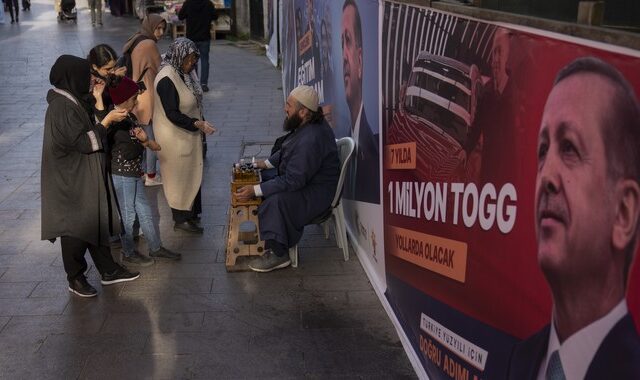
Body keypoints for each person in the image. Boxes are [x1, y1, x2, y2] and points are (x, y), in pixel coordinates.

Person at [507, 57, 640, 379]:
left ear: (623, 213)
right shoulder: (522, 359)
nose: (546, 176)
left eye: (569, 148)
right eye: (542, 150)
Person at [42, 55, 140, 298]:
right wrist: (107, 120)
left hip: (83, 173)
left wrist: (97, 98)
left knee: (94, 220)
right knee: (75, 227)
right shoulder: (62, 107)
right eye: (87, 77)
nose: (91, 81)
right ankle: (75, 278)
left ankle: (108, 270)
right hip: (71, 177)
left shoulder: (72, 99)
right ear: (73, 77)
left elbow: (91, 127)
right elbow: (85, 142)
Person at [236, 85, 340, 273]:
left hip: (318, 193)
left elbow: (293, 181)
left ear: (303, 112)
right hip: (309, 180)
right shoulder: (308, 124)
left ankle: (279, 253)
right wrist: (264, 164)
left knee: (274, 201)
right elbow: (289, 147)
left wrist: (256, 190)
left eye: (289, 106)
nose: (285, 109)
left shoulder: (311, 138)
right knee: (266, 178)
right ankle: (271, 232)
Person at [105, 77, 182, 264]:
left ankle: (155, 247)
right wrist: (143, 141)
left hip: (133, 173)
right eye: (133, 98)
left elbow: (140, 143)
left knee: (144, 210)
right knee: (128, 215)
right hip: (123, 175)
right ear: (123, 99)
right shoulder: (117, 121)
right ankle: (129, 252)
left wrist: (145, 141)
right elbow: (128, 151)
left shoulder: (128, 117)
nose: (137, 101)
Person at [153, 38, 216, 234]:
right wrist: (195, 123)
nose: (191, 65)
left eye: (193, 61)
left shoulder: (182, 73)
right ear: (179, 57)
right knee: (178, 176)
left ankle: (191, 213)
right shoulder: (166, 78)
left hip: (188, 132)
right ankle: (180, 218)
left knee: (192, 173)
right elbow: (171, 112)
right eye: (188, 61)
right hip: (173, 137)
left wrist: (199, 121)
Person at [341, 0, 379, 204]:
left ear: (361, 60)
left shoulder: (377, 150)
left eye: (348, 41)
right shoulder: (343, 142)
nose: (344, 57)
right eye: (341, 44)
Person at [123, 14, 166, 187]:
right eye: (158, 28)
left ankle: (141, 171)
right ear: (151, 27)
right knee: (150, 138)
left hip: (135, 96)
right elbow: (160, 68)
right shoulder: (149, 44)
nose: (161, 32)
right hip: (146, 97)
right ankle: (151, 175)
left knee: (141, 137)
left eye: (163, 28)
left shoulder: (135, 39)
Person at [178, 0, 217, 92]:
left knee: (192, 61)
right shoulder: (208, 3)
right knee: (205, 60)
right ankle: (204, 84)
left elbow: (180, 16)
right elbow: (215, 16)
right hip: (204, 37)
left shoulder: (188, 3)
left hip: (191, 37)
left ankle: (195, 84)